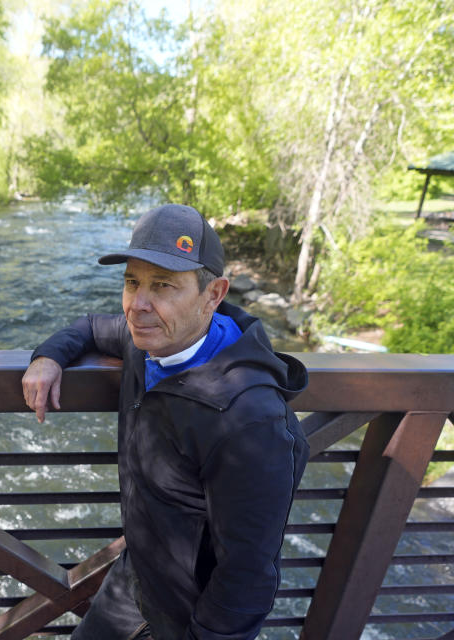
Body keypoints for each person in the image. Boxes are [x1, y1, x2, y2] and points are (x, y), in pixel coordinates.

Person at [21, 204, 309, 640]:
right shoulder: (150, 340)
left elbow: (247, 578)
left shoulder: (250, 421)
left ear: (213, 295)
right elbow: (94, 327)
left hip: (184, 618)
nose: (138, 305)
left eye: (163, 285)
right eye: (132, 281)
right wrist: (47, 356)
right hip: (133, 580)